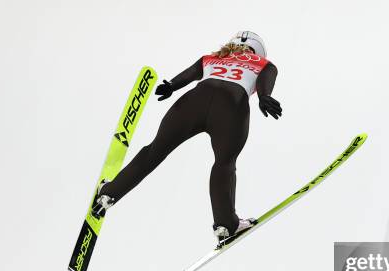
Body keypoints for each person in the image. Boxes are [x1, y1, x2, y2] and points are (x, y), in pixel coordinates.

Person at [91, 31, 282, 244]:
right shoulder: (264, 63)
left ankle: (108, 194)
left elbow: (190, 74)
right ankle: (226, 225)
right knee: (224, 165)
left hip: (193, 103)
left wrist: (171, 86)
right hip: (230, 108)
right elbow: (265, 81)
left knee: (155, 151)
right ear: (258, 51)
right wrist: (264, 98)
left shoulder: (213, 57)